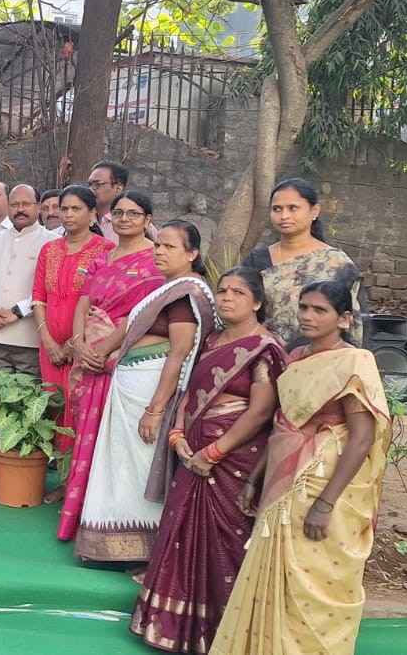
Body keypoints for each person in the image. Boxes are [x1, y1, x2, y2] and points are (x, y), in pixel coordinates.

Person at [212, 280, 391, 655]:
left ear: (343, 319)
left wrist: (324, 504)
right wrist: (255, 479)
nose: (308, 316)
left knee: (317, 578)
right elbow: (282, 422)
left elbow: (361, 438)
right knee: (278, 574)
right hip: (282, 476)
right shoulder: (295, 358)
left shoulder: (354, 362)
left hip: (321, 480)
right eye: (304, 307)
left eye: (319, 310)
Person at [130, 266, 285, 653]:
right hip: (191, 454)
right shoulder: (213, 339)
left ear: (258, 302)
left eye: (238, 293)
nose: (227, 297)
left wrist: (214, 453)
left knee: (226, 541)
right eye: (223, 290)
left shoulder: (264, 348)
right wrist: (178, 434)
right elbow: (190, 391)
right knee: (179, 534)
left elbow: (261, 412)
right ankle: (174, 627)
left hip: (233, 461)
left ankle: (224, 633)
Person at [74, 220, 212, 563]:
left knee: (138, 468)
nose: (160, 252)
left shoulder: (184, 294)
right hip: (133, 388)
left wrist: (155, 409)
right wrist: (101, 349)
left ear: (192, 254)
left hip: (150, 393)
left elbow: (179, 352)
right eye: (158, 245)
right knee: (123, 466)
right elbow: (130, 324)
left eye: (170, 247)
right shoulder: (168, 288)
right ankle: (115, 546)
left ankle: (143, 549)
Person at [57, 190, 164, 540]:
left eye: (134, 214)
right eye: (118, 213)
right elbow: (83, 301)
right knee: (85, 434)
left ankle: (110, 519)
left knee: (112, 440)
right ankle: (80, 512)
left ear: (148, 220)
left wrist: (103, 348)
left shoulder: (154, 262)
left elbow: (142, 315)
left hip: (121, 361)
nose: (124, 220)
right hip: (90, 355)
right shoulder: (105, 255)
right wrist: (80, 343)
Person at [31, 185, 114, 451]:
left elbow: (103, 303)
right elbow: (38, 297)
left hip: (86, 347)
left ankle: (76, 482)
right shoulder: (49, 249)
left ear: (92, 213)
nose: (67, 214)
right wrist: (49, 341)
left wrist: (73, 344)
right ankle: (57, 475)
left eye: (75, 209)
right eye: (63, 208)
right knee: (53, 405)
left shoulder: (106, 249)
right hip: (49, 345)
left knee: (80, 408)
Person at [242, 178, 367, 347]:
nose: (284, 216)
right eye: (277, 209)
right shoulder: (257, 260)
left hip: (323, 359)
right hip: (265, 354)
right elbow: (242, 310)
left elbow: (354, 321)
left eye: (293, 208)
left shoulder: (339, 265)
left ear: (314, 211)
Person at [0, 184, 60, 378]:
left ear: (38, 206)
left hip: (30, 337)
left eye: (26, 204)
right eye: (14, 204)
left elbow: (48, 288)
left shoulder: (53, 243)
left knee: (27, 400)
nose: (20, 209)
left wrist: (17, 312)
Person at [87, 160, 158, 243]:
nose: (91, 189)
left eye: (97, 184)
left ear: (118, 189)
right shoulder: (85, 219)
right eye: (89, 184)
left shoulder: (134, 221)